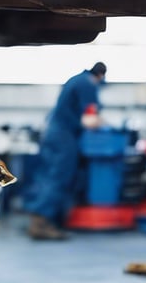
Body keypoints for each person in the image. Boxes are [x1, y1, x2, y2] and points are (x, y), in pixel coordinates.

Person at [26, 62, 107, 240]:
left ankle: (40, 219)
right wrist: (105, 124)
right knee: (59, 178)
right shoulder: (88, 83)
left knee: (49, 177)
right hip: (64, 137)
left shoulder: (75, 80)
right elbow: (89, 120)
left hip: (53, 133)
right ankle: (41, 223)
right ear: (100, 76)